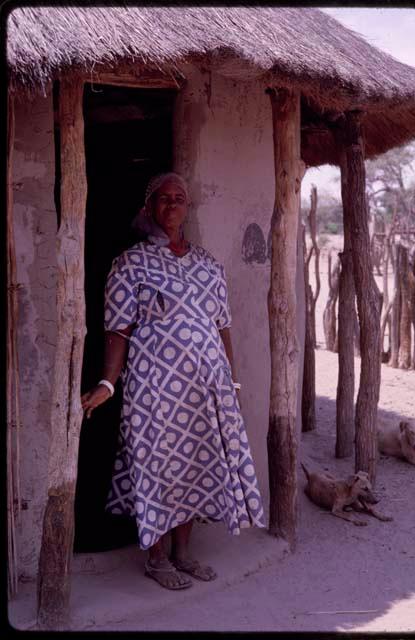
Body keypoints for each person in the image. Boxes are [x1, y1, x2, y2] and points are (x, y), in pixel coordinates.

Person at [81, 172, 265, 590]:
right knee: (158, 463)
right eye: (162, 199)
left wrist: (231, 387)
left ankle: (184, 555)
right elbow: (119, 329)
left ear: (188, 207)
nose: (171, 205)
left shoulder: (208, 265)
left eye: (179, 198)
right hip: (154, 389)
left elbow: (222, 329)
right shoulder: (130, 263)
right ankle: (157, 557)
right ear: (149, 208)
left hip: (205, 388)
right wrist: (108, 383)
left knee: (197, 463)